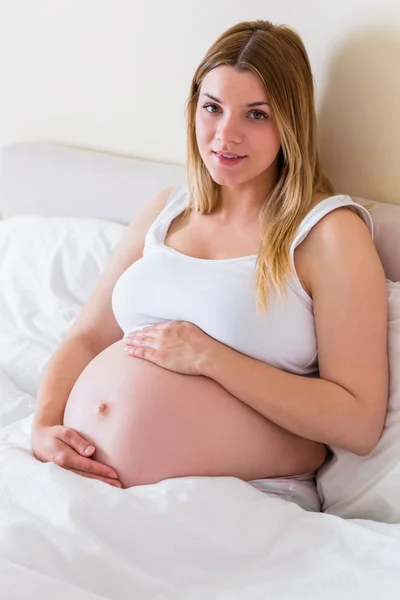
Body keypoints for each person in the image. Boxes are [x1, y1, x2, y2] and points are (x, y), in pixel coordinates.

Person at [31, 19, 389, 512]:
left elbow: (358, 422)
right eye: (212, 108)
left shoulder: (327, 233)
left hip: (237, 500)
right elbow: (88, 337)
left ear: (291, 123)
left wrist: (210, 358)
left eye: (256, 115)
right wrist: (44, 425)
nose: (226, 135)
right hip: (91, 484)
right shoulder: (165, 211)